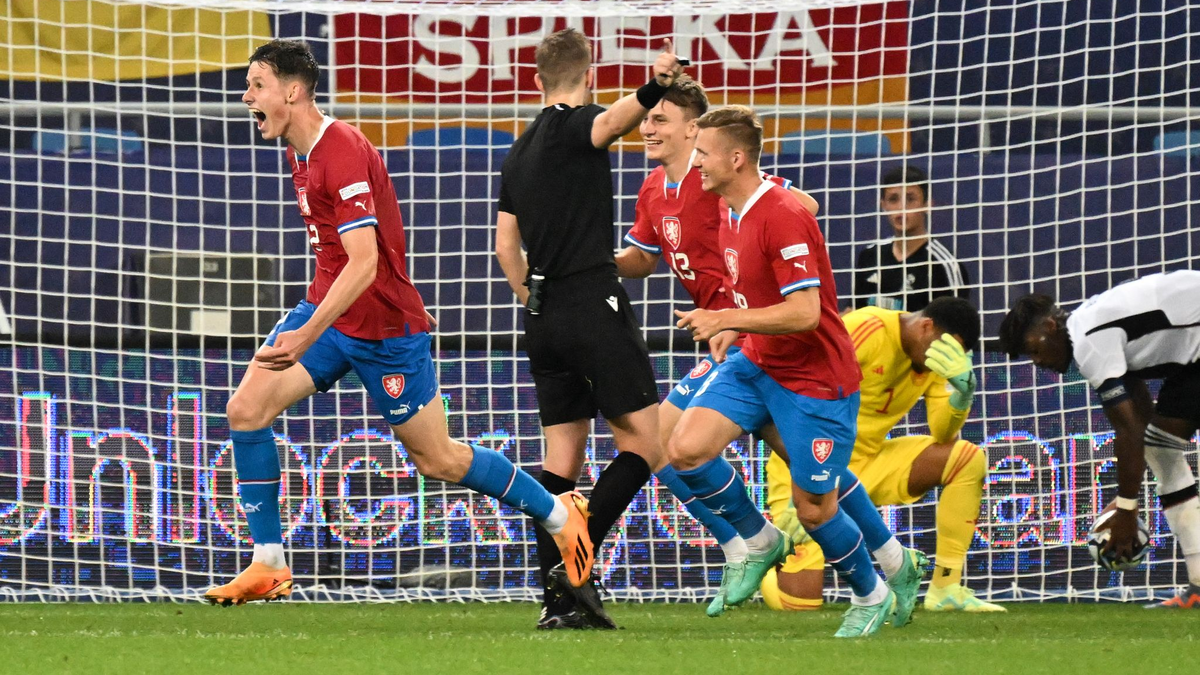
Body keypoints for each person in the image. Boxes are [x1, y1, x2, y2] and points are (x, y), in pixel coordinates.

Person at [205, 39, 592, 606]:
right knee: (246, 409)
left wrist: (312, 333)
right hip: (332, 313)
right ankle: (269, 563)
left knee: (438, 459)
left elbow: (363, 262)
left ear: (291, 91)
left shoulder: (340, 151)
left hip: (382, 331)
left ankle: (561, 514)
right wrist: (328, 317)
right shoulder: (301, 148)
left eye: (256, 86)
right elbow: (373, 239)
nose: (246, 97)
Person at [670, 105, 926, 638]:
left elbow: (807, 312)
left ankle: (871, 589)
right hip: (758, 361)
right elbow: (792, 208)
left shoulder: (777, 211)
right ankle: (760, 540)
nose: (696, 163)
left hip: (813, 380)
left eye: (703, 153)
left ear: (736, 158)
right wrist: (736, 328)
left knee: (815, 508)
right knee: (683, 448)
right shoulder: (730, 203)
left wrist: (726, 316)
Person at [494, 28, 684, 629]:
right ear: (590, 77)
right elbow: (612, 124)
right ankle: (578, 552)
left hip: (542, 315)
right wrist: (659, 83)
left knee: (561, 464)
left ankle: (559, 606)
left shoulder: (517, 150)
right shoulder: (577, 124)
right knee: (647, 446)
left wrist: (534, 297)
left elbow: (505, 249)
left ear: (534, 80)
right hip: (591, 300)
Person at [613, 74, 819, 616]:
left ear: (692, 131)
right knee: (802, 464)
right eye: (646, 118)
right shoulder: (654, 189)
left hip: (757, 336)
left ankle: (753, 540)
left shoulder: (720, 183)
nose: (646, 127)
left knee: (662, 439)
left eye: (659, 119)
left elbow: (803, 206)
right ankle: (879, 562)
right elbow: (642, 259)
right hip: (727, 343)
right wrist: (593, 263)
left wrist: (741, 308)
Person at [758, 297, 1005, 613]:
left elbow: (944, 434)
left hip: (867, 464)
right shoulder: (867, 329)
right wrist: (802, 484)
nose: (947, 359)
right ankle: (770, 556)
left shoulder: (934, 360)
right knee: (798, 603)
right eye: (947, 349)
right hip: (808, 461)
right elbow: (802, 392)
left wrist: (962, 395)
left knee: (966, 458)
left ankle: (946, 589)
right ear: (925, 327)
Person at [998, 271, 1200, 609]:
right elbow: (1139, 417)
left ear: (1050, 326)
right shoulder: (1090, 325)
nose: (1038, 362)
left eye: (1034, 350)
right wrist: (1127, 499)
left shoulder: (1088, 337)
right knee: (1161, 447)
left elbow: (1128, 430)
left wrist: (1126, 509)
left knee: (1158, 448)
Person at [852, 165, 969, 312]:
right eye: (893, 199)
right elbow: (854, 312)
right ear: (883, 205)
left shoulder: (944, 265)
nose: (902, 208)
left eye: (910, 199)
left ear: (927, 205)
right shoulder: (870, 256)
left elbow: (957, 328)